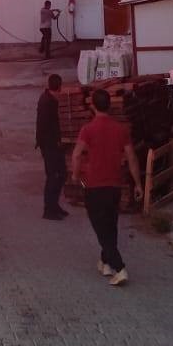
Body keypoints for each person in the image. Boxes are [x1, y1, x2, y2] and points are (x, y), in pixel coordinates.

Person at [71, 87, 142, 286]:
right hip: (114, 185)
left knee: (101, 228)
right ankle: (105, 262)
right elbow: (132, 158)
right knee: (110, 225)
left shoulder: (87, 129)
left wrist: (75, 175)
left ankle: (119, 268)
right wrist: (138, 184)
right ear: (109, 105)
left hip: (94, 185)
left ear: (93, 106)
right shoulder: (121, 129)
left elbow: (76, 155)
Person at [35, 72, 68, 220]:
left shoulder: (46, 98)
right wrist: (55, 143)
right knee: (54, 176)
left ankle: (54, 205)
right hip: (50, 146)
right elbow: (46, 127)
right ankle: (49, 209)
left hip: (50, 144)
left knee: (60, 174)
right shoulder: (48, 102)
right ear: (59, 87)